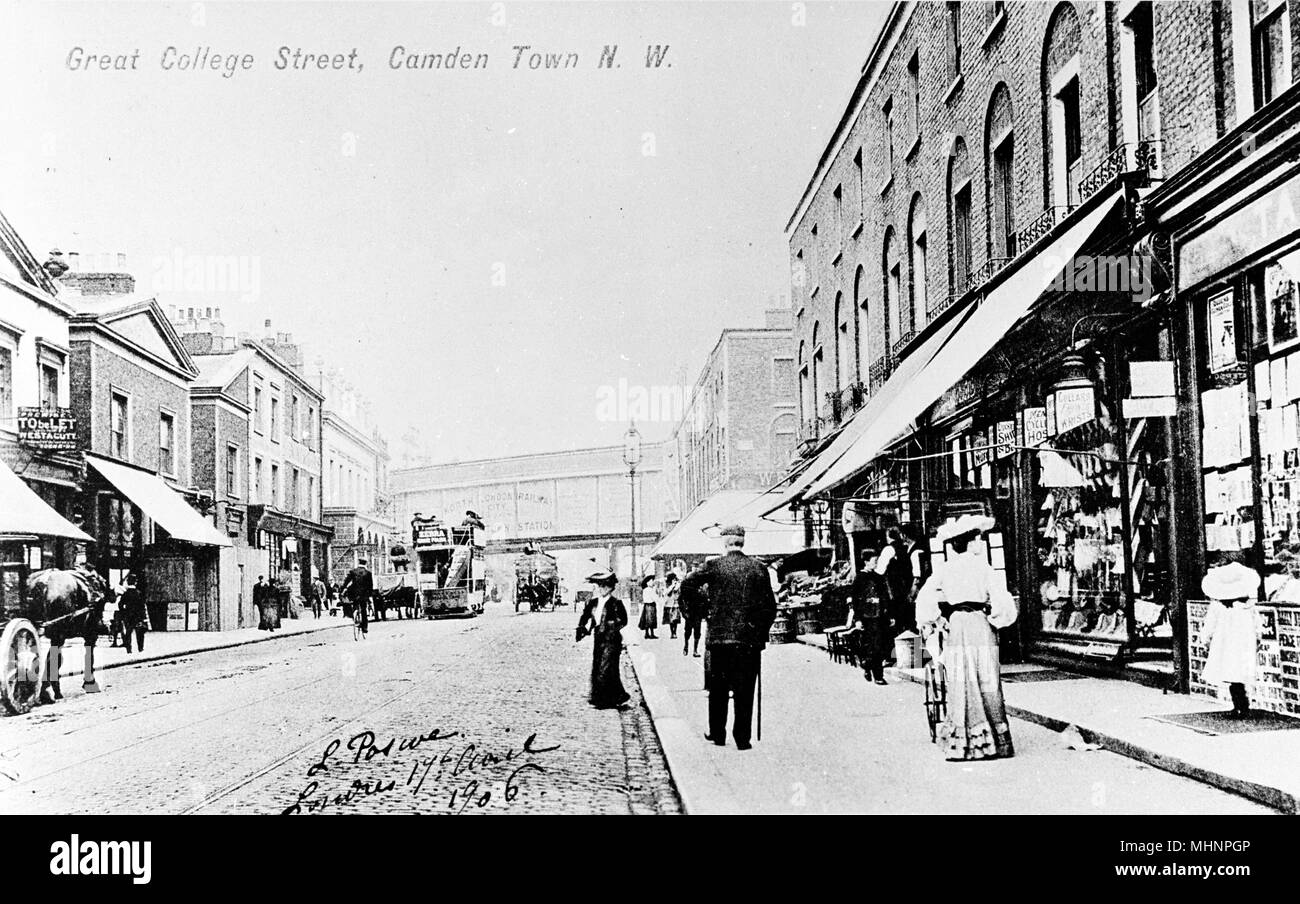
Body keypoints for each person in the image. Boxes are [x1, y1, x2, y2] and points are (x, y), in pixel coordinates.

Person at [915, 515, 1017, 761]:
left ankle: (962, 743)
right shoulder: (983, 567)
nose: (980, 543)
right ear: (970, 542)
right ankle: (993, 741)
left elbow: (924, 598)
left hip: (958, 624)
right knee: (987, 677)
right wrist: (997, 619)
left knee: (961, 678)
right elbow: (1002, 601)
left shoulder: (944, 568)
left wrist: (937, 620)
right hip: (979, 624)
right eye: (978, 539)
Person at [680, 525, 777, 750]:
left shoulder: (713, 566)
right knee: (745, 690)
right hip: (748, 641)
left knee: (719, 689)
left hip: (720, 639)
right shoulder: (758, 568)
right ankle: (742, 739)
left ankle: (717, 734)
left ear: (724, 543)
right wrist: (759, 632)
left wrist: (704, 609)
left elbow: (687, 585)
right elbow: (769, 607)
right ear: (743, 542)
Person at [1198, 561, 1261, 719]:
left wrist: (1205, 639)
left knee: (1232, 672)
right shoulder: (1248, 606)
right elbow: (1257, 624)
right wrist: (1258, 638)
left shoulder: (1219, 606)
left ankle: (1239, 705)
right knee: (1238, 672)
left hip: (1225, 642)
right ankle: (1242, 704)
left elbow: (1210, 624)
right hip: (1243, 641)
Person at [575, 571, 630, 709]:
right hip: (598, 638)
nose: (602, 589)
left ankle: (606, 699)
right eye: (600, 586)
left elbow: (623, 620)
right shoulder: (593, 602)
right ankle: (605, 696)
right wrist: (582, 627)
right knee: (598, 664)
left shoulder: (616, 603)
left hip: (612, 639)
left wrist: (612, 626)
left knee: (607, 667)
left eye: (605, 587)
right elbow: (585, 616)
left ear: (610, 588)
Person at [846, 547, 892, 685]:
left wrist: (889, 615)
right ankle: (870, 669)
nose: (876, 563)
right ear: (866, 561)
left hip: (879, 616)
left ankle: (874, 671)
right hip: (866, 617)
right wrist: (858, 619)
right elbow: (855, 600)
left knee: (880, 646)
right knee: (870, 646)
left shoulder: (878, 578)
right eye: (874, 561)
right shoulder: (859, 578)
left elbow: (885, 597)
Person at [876, 526, 914, 638]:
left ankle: (896, 652)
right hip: (907, 589)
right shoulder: (905, 548)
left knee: (895, 623)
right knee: (909, 622)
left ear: (888, 536)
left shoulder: (889, 549)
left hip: (893, 590)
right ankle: (914, 652)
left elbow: (880, 571)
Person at [341, 558, 374, 637]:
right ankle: (365, 627)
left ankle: (354, 615)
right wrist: (369, 595)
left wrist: (343, 589)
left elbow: (346, 581)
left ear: (359, 562)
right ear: (365, 564)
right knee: (364, 610)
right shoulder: (368, 573)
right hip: (363, 595)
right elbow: (370, 586)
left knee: (353, 604)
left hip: (354, 594)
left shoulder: (353, 571)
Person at [118, 574, 148, 654]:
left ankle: (129, 649)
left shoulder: (126, 593)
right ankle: (140, 648)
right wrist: (143, 616)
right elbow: (142, 606)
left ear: (128, 582)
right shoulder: (138, 593)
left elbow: (120, 604)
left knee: (128, 632)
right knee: (140, 632)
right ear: (135, 582)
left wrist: (124, 612)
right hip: (138, 616)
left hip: (128, 615)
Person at [679, 563, 705, 657]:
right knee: (688, 631)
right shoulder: (686, 585)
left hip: (698, 611)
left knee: (697, 631)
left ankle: (695, 650)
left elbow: (704, 599)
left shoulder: (701, 585)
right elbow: (681, 599)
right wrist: (683, 612)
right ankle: (686, 646)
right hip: (689, 611)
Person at [638, 574, 659, 639]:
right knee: (651, 619)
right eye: (651, 581)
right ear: (647, 582)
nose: (653, 582)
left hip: (646, 606)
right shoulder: (650, 590)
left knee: (646, 620)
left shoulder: (645, 589)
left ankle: (647, 634)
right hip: (651, 605)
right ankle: (651, 634)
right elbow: (655, 598)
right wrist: (655, 590)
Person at [662, 572, 682, 639]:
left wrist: (677, 585)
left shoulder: (677, 585)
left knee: (675, 619)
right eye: (673, 579)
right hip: (669, 604)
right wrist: (672, 586)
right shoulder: (666, 585)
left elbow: (678, 591)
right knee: (670, 620)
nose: (674, 580)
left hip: (676, 604)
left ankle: (675, 632)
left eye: (675, 579)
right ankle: (672, 632)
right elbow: (666, 593)